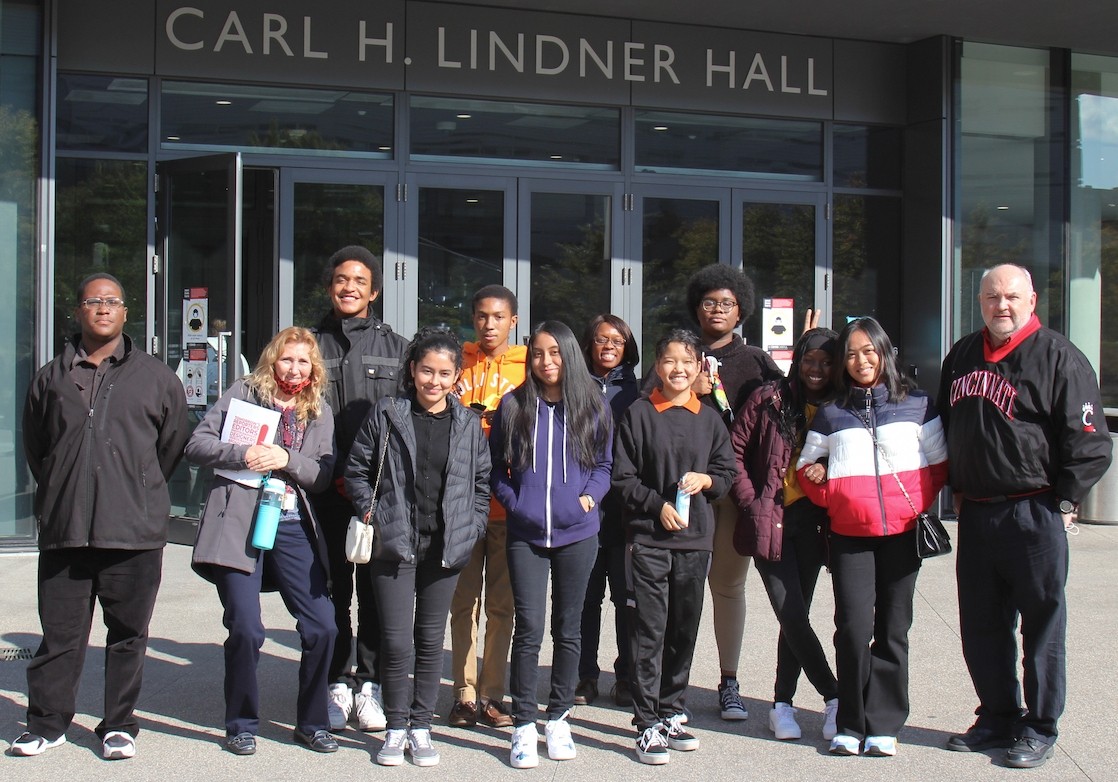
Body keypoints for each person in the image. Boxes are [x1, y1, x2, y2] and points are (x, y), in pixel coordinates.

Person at [937, 264, 1112, 769]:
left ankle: (1039, 725)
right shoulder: (964, 354)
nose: (1002, 306)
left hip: (1033, 510)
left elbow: (1091, 443)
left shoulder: (1059, 357)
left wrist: (1062, 501)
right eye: (992, 297)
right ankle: (998, 715)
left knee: (1040, 625)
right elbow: (947, 426)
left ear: (1032, 300)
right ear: (980, 301)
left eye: (1012, 297)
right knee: (982, 623)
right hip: (978, 512)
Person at [12, 273, 189, 760]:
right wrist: (63, 488)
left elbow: (170, 447)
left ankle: (118, 725)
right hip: (66, 528)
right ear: (79, 311)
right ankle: (46, 723)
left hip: (133, 531)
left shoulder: (157, 378)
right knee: (60, 636)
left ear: (126, 312)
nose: (104, 308)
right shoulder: (51, 377)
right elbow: (37, 447)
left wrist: (135, 484)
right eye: (94, 301)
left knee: (128, 635)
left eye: (113, 301)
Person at [797, 316, 948, 758]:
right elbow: (806, 469)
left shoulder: (919, 404)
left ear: (885, 352)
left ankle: (884, 724)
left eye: (869, 351)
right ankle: (850, 721)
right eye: (851, 353)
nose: (861, 360)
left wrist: (911, 506)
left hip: (902, 535)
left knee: (893, 630)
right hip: (850, 537)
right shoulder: (831, 412)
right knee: (852, 628)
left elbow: (939, 467)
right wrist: (836, 496)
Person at [186, 327, 338, 755]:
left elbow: (323, 474)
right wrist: (243, 454)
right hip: (238, 520)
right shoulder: (243, 393)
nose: (294, 368)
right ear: (273, 359)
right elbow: (196, 444)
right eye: (287, 359)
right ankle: (241, 723)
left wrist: (288, 459)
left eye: (303, 361)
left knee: (323, 625)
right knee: (247, 628)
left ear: (314, 368)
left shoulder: (318, 410)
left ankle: (312, 722)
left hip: (289, 520)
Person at [345, 328, 491, 768]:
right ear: (412, 370)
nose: (434, 380)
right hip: (394, 545)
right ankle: (394, 727)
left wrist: (473, 525)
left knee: (429, 641)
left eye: (444, 373)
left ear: (456, 376)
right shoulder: (388, 413)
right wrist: (373, 515)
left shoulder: (467, 424)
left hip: (444, 548)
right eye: (427, 370)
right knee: (395, 642)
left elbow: (481, 483)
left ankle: (421, 727)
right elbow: (356, 470)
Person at [490, 320, 613, 769]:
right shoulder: (513, 405)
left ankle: (558, 717)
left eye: (555, 353)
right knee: (529, 629)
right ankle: (523, 723)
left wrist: (586, 501)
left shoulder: (593, 405)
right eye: (538, 353)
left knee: (569, 627)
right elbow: (496, 469)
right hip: (525, 534)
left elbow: (604, 465)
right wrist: (516, 503)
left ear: (569, 355)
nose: (547, 362)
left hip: (577, 533)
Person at [612, 329, 737, 765]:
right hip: (649, 540)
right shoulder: (639, 414)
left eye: (687, 361)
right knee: (650, 628)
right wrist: (656, 505)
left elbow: (727, 472)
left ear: (700, 367)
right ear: (657, 366)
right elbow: (622, 478)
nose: (678, 369)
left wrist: (707, 480)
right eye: (669, 360)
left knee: (684, 627)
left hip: (696, 540)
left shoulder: (710, 419)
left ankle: (671, 709)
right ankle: (646, 722)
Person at [311, 245, 408, 733]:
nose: (349, 287)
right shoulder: (307, 344)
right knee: (330, 591)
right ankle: (335, 681)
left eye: (359, 280)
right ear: (331, 286)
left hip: (378, 494)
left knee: (374, 592)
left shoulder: (398, 348)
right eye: (340, 278)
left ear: (374, 290)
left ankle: (369, 683)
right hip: (322, 490)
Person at [730, 328, 840, 742]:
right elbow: (734, 450)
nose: (817, 368)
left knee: (795, 616)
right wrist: (750, 499)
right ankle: (834, 696)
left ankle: (782, 705)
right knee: (791, 613)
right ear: (798, 358)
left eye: (826, 361)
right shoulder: (769, 397)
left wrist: (827, 471)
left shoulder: (838, 406)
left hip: (814, 524)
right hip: (769, 518)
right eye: (810, 359)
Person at [685, 264, 783, 721]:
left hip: (737, 489)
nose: (718, 310)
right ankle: (670, 681)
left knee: (727, 585)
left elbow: (787, 414)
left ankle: (729, 681)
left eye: (726, 303)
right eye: (709, 302)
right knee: (678, 585)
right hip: (686, 489)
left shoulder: (758, 362)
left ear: (740, 309)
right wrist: (691, 389)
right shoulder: (678, 354)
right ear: (697, 307)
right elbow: (648, 409)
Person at [447, 285, 526, 729]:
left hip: (509, 503)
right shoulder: (458, 359)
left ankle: (493, 693)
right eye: (481, 316)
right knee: (464, 603)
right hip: (462, 501)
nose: (489, 324)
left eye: (498, 317)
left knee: (501, 605)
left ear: (512, 321)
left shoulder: (528, 366)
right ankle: (464, 691)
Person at [575, 314, 640, 708]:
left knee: (626, 597)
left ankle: (627, 676)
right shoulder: (574, 384)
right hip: (582, 504)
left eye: (617, 340)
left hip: (624, 509)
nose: (609, 346)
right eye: (602, 339)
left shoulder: (639, 387)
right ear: (589, 343)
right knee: (585, 598)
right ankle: (584, 676)